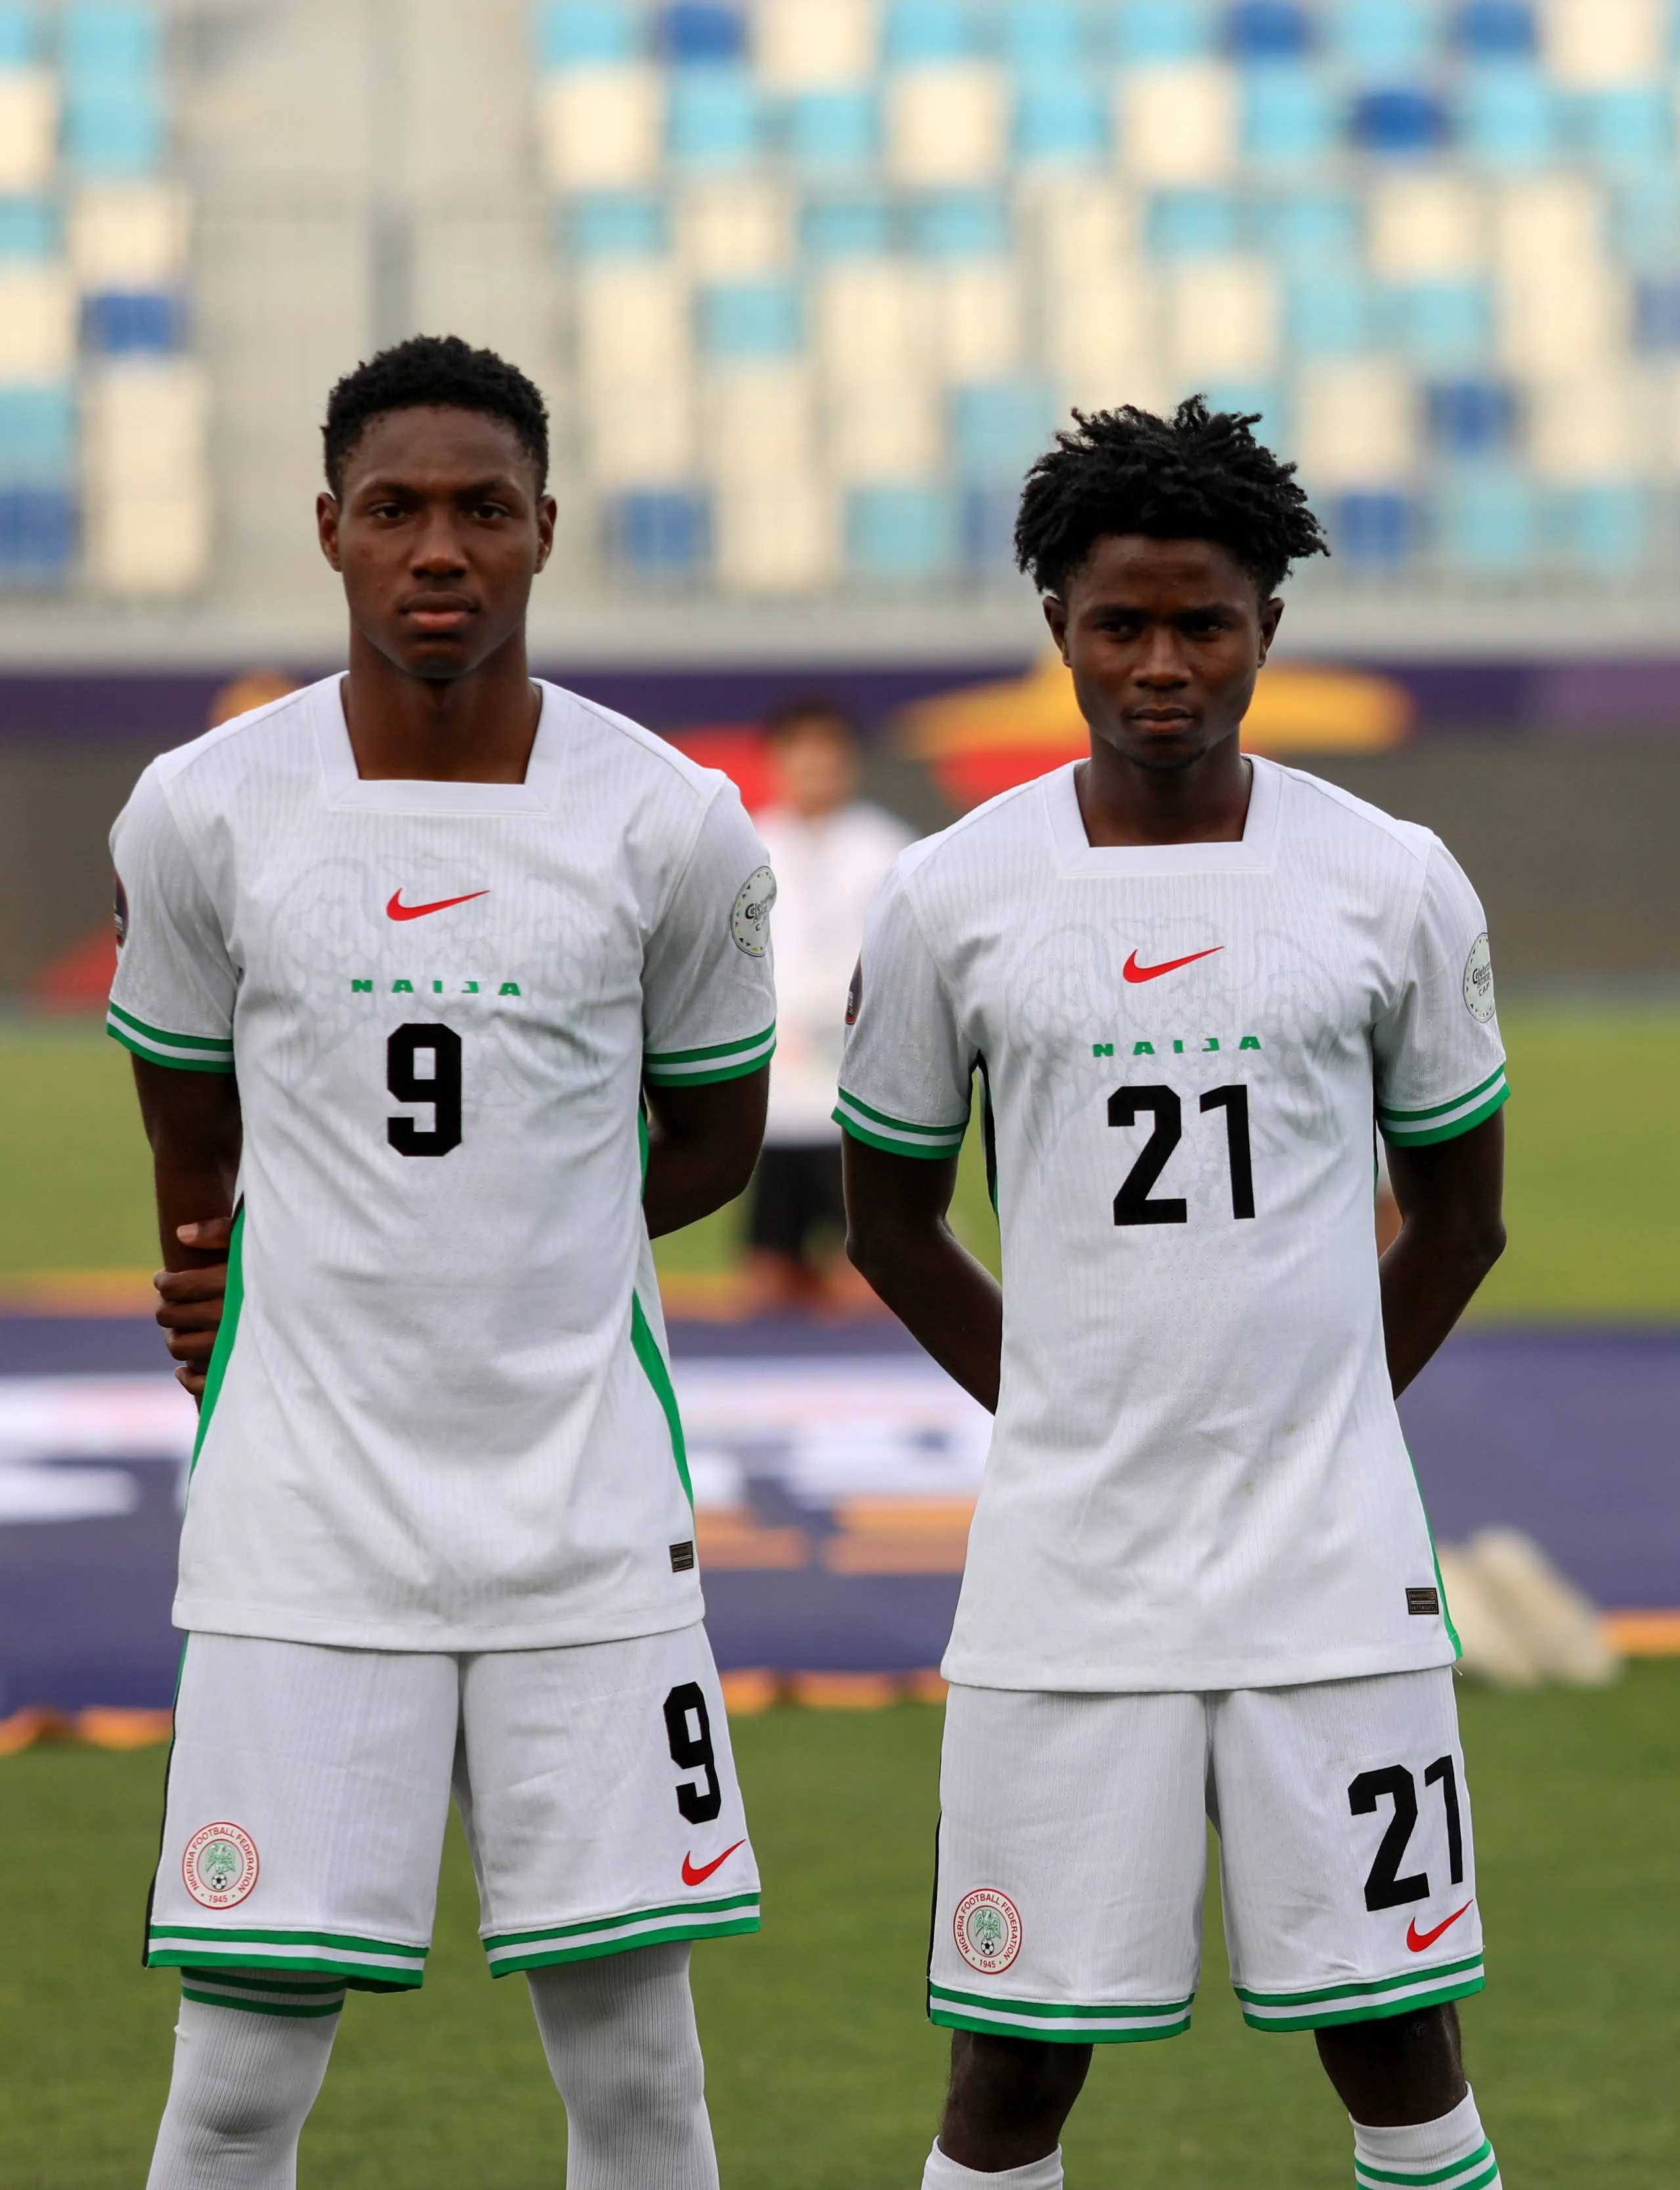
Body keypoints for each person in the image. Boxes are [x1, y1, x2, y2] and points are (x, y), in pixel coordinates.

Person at [106, 335, 774, 2188]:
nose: (439, 549)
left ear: (546, 529)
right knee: (236, 2082)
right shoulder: (202, 807)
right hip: (303, 1527)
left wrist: (519, 1234)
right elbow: (187, 1124)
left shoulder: (667, 817)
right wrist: (215, 1276)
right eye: (395, 509)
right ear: (328, 527)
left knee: (639, 2072)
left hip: (586, 1519)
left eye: (484, 510)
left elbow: (715, 1136)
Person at [835, 397, 1513, 2190]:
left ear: (1266, 627)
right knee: (1011, 2064)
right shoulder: (950, 895)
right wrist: (1062, 1405)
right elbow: (889, 1221)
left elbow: (1461, 1221)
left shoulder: (1389, 881)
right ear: (1056, 626)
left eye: (1203, 623)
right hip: (1069, 1571)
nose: (1161, 664)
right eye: (1120, 623)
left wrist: (1325, 1412)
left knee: (1400, 2038)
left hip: (1332, 1566)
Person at [746, 694, 913, 1310]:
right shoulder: (749, 843)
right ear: (778, 760)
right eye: (801, 753)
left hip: (857, 1087)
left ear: (850, 761)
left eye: (828, 753)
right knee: (770, 1274)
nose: (815, 767)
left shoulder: (887, 848)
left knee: (867, 1275)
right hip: (776, 1089)